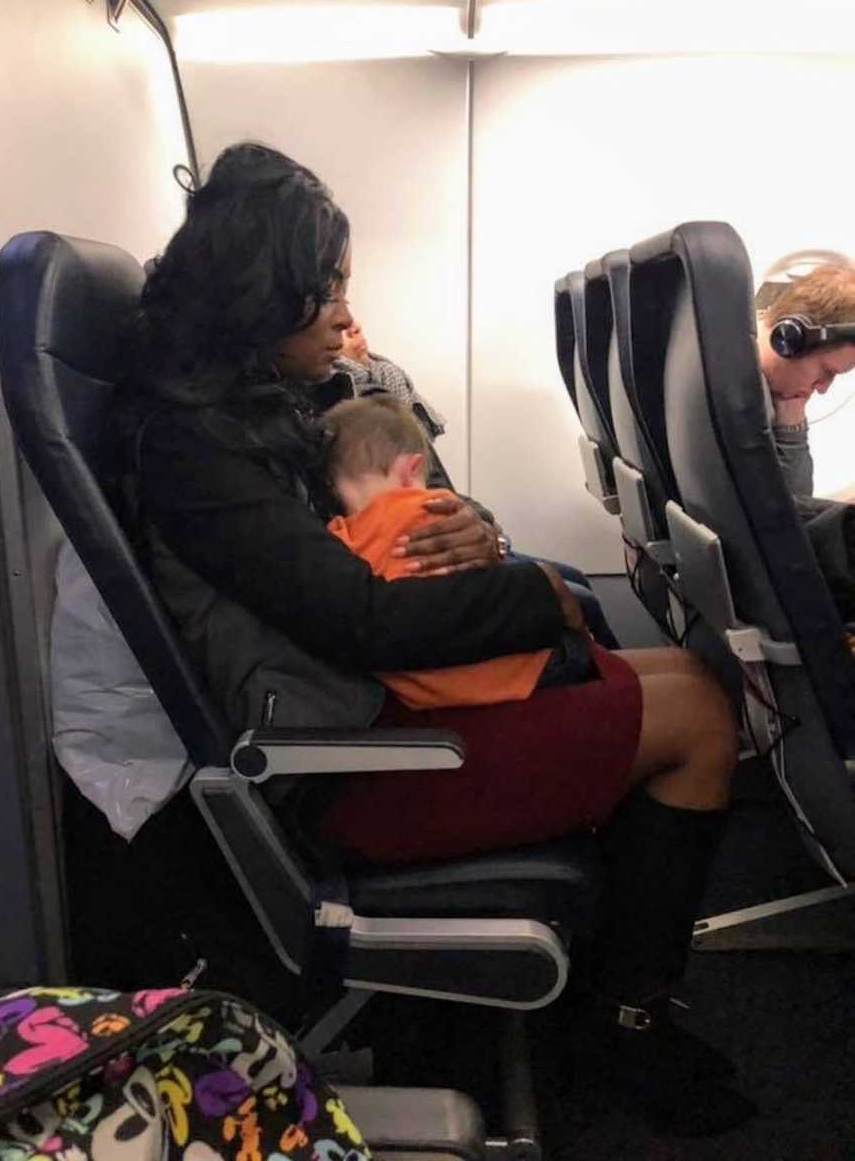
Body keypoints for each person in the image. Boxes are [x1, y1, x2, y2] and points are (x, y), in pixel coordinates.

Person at [118, 141, 754, 1136]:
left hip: (379, 719)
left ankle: (603, 993)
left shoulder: (263, 413)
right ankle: (619, 1029)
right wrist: (543, 592)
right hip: (348, 769)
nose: (341, 314)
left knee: (677, 671)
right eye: (321, 291)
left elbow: (391, 526)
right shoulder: (194, 450)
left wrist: (483, 533)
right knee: (702, 717)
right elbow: (364, 622)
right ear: (257, 295)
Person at [333, 319, 621, 647]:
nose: (349, 321)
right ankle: (609, 677)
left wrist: (485, 529)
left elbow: (438, 484)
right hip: (419, 593)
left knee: (574, 580)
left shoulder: (379, 383)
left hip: (447, 556)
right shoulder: (348, 413)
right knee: (575, 596)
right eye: (331, 296)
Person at [324, 394, 596, 706]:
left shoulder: (337, 537)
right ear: (411, 468)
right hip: (515, 674)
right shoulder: (436, 507)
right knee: (579, 620)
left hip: (420, 692)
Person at [756, 265, 855, 499]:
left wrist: (792, 421)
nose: (822, 388)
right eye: (827, 371)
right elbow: (793, 509)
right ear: (790, 340)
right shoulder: (746, 393)